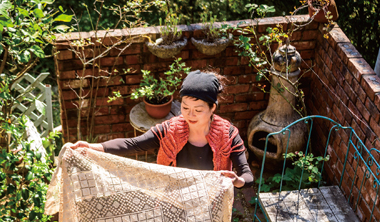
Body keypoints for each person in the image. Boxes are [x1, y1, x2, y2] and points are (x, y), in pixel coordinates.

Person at [70, 69, 254, 188]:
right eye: (185, 108)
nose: (190, 115)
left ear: (212, 108)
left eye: (198, 110)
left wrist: (236, 181)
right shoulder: (170, 129)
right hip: (175, 203)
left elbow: (247, 175)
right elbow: (132, 144)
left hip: (214, 205)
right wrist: (92, 147)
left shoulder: (228, 134)